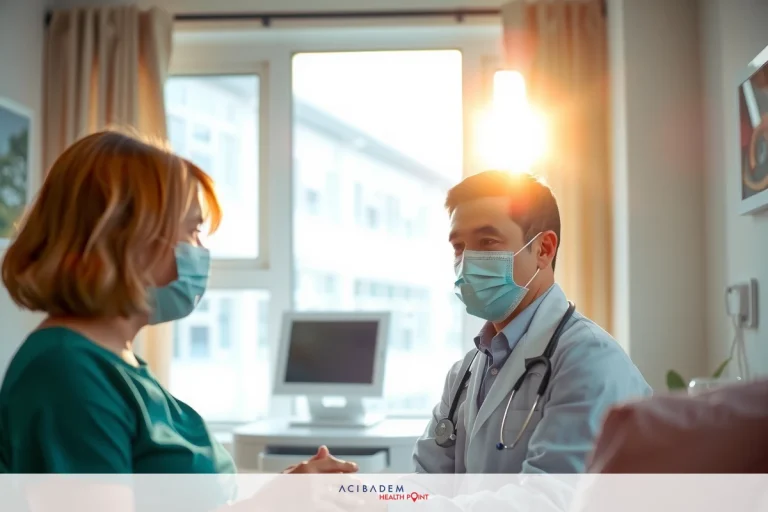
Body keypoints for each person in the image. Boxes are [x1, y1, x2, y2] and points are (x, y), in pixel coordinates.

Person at [0, 131, 356, 508]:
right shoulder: (67, 373)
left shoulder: (117, 365)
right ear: (125, 237)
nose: (201, 251)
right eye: (193, 230)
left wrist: (283, 492)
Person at [412, 171, 651, 474]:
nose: (467, 261)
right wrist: (356, 492)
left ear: (543, 249)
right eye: (459, 246)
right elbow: (423, 481)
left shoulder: (589, 358)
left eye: (487, 241)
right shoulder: (465, 373)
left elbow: (549, 499)